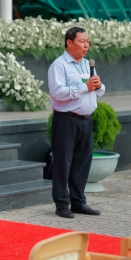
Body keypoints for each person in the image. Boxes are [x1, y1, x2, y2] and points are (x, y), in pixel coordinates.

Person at [48, 26, 105, 219]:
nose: (86, 45)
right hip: (66, 120)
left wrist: (98, 85)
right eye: (82, 41)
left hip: (86, 120)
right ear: (69, 43)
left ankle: (78, 202)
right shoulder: (59, 65)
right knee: (63, 163)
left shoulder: (86, 64)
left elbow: (98, 90)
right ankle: (62, 204)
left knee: (82, 162)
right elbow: (57, 93)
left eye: (88, 41)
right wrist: (84, 87)